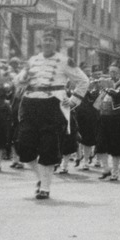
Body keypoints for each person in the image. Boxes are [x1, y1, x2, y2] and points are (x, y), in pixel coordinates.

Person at [13, 33, 89, 200]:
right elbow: (18, 81)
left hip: (52, 105)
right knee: (24, 146)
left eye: (51, 40)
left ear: (56, 43)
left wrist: (74, 99)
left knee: (48, 147)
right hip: (30, 104)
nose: (47, 42)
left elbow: (83, 80)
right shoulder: (32, 60)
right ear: (41, 42)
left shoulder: (64, 61)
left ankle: (45, 187)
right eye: (45, 39)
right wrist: (24, 77)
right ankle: (40, 178)